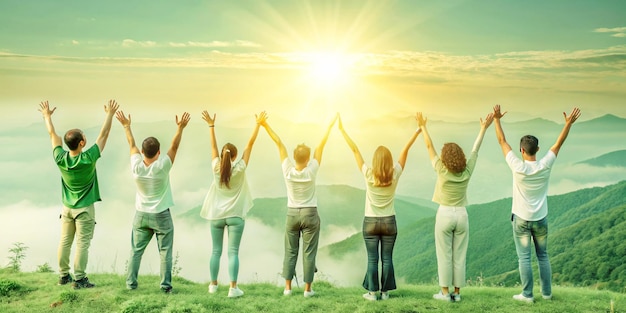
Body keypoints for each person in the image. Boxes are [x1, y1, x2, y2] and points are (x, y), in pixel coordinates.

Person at [493, 105, 581, 302]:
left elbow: (502, 141)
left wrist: (497, 120)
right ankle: (547, 294)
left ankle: (527, 295)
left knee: (524, 258)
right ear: (538, 150)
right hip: (541, 219)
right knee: (543, 256)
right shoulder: (545, 165)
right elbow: (559, 143)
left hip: (522, 220)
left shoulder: (517, 166)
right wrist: (568, 124)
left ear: (521, 150)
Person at [338, 114, 420, 301]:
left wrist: (342, 130)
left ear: (375, 162)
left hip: (370, 222)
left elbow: (355, 150)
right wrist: (418, 130)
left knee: (373, 259)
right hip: (390, 222)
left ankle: (373, 293)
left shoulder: (368, 174)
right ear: (389, 161)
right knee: (387, 258)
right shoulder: (395, 174)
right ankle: (385, 292)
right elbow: (405, 151)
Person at [39, 100, 119, 289]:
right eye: (84, 135)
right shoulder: (88, 158)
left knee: (65, 242)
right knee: (82, 244)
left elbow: (52, 134)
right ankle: (79, 279)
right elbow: (104, 134)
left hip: (66, 208)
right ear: (82, 143)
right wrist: (109, 114)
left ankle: (63, 275)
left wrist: (47, 116)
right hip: (84, 210)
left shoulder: (60, 157)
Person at [417, 112, 494, 302]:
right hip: (462, 215)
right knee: (459, 256)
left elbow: (429, 146)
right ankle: (457, 294)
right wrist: (483, 128)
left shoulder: (441, 170)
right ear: (460, 156)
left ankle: (444, 293)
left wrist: (423, 127)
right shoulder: (467, 170)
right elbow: (476, 149)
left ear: (445, 158)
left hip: (444, 214)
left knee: (444, 255)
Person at [259, 113, 338, 297]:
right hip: (310, 214)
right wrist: (329, 125)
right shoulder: (312, 170)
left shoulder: (287, 169)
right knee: (309, 253)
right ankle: (307, 290)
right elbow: (321, 145)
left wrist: (264, 124)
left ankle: (287, 288)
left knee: (290, 251)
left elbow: (279, 143)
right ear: (308, 158)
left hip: (292, 214)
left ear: (294, 157)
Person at [116, 110, 190, 294]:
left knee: (136, 251)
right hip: (161, 214)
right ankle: (165, 287)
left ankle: (130, 284)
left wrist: (126, 125)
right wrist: (180, 128)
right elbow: (174, 147)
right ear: (158, 152)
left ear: (142, 152)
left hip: (141, 215)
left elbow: (131, 144)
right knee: (165, 252)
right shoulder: (162, 166)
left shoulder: (136, 167)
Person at [199, 110, 266, 298]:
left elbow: (213, 146)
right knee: (233, 252)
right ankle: (233, 288)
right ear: (235, 157)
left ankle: (213, 285)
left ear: (223, 155)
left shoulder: (215, 167)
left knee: (215, 251)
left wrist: (211, 126)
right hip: (236, 216)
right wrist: (258, 125)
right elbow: (250, 144)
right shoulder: (240, 168)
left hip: (216, 216)